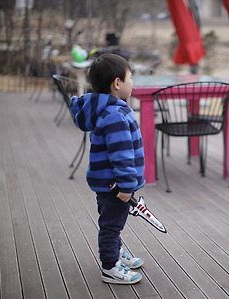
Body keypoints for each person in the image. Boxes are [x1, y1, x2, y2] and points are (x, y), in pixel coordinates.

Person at [69, 53, 146, 284]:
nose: (132, 82)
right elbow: (121, 155)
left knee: (113, 221)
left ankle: (116, 251)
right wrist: (126, 185)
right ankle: (110, 266)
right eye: (130, 77)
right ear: (117, 83)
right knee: (111, 226)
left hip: (107, 182)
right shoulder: (115, 115)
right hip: (115, 185)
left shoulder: (106, 109)